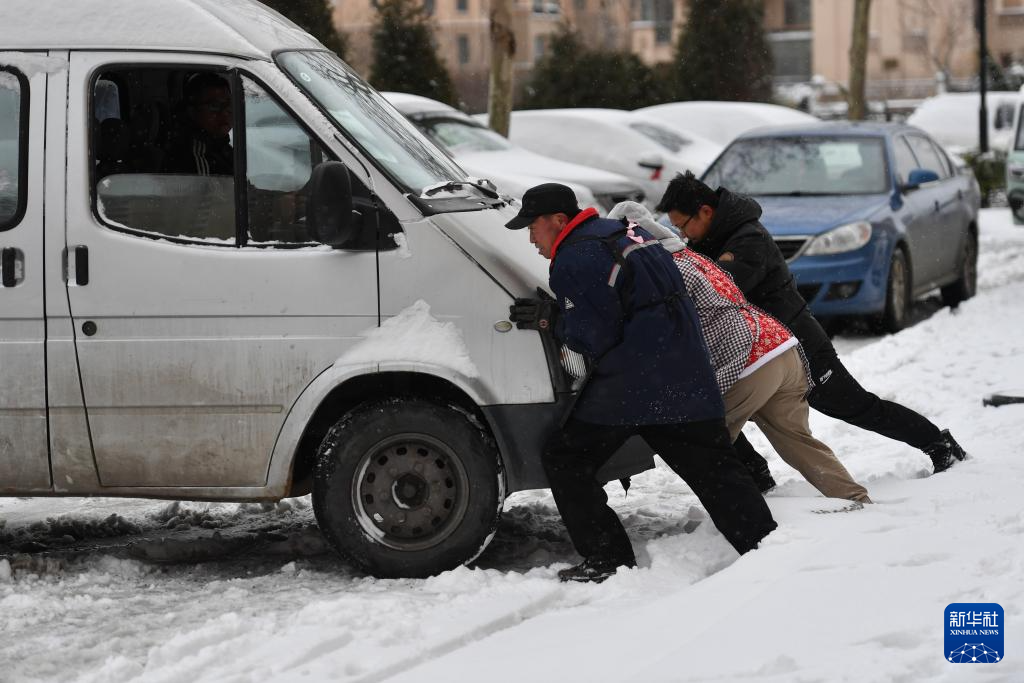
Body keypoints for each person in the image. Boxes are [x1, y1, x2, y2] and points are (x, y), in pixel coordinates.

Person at [507, 183, 777, 584]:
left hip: (634, 383)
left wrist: (553, 320)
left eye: (533, 226)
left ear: (559, 221)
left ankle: (607, 557)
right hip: (686, 369)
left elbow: (591, 336)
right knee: (714, 468)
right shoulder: (631, 234)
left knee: (566, 460)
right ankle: (769, 549)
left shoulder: (575, 257)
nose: (530, 237)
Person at [655, 172, 967, 481]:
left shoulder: (747, 239)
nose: (683, 235)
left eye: (683, 225)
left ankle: (938, 443)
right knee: (716, 407)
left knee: (854, 406)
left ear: (706, 211)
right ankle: (755, 475)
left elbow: (718, 290)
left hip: (799, 342)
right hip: (761, 347)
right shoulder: (713, 238)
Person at [609, 202, 869, 503]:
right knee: (798, 442)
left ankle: (747, 522)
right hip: (780, 346)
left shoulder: (659, 270)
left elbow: (658, 331)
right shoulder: (690, 256)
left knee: (700, 440)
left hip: (749, 361)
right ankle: (855, 499)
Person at [163, 72, 234, 176]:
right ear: (192, 111)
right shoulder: (194, 155)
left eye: (229, 105)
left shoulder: (221, 146)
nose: (224, 113)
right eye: (214, 105)